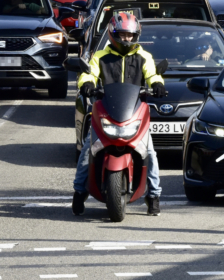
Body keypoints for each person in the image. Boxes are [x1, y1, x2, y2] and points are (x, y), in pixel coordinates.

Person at [72, 12, 167, 217]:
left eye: (131, 35)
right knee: (88, 150)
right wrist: (86, 83)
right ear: (112, 34)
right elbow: (89, 72)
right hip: (106, 113)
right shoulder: (100, 57)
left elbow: (152, 74)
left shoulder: (144, 57)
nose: (127, 39)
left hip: (133, 114)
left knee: (149, 152)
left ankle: (153, 195)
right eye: (123, 35)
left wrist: (157, 84)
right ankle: (79, 191)